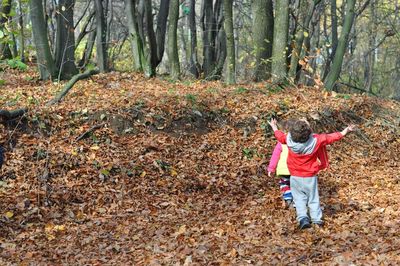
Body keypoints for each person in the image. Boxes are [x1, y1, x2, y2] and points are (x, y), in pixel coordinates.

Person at [268, 118, 355, 229]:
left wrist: (274, 127)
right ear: (309, 132)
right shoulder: (316, 140)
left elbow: (279, 136)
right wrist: (346, 130)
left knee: (299, 199)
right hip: (310, 177)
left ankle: (303, 218)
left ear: (292, 132)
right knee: (313, 198)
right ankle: (316, 219)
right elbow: (331, 137)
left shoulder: (288, 140)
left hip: (295, 176)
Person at [267, 121, 294, 208]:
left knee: (285, 183)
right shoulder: (298, 143)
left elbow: (275, 156)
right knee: (296, 185)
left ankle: (288, 198)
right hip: (295, 169)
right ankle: (296, 201)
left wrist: (271, 169)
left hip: (283, 169)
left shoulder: (281, 143)